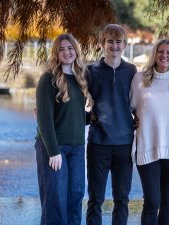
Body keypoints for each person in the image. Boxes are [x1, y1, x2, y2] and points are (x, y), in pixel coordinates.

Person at [35, 33, 93, 225]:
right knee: (55, 202)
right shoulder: (48, 79)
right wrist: (53, 151)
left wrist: (92, 117)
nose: (67, 52)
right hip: (54, 148)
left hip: (77, 148)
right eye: (62, 49)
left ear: (76, 51)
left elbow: (74, 116)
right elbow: (44, 119)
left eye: (70, 48)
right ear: (56, 53)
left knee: (75, 199)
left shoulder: (80, 78)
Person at [130, 38, 169, 225]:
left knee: (168, 201)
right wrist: (133, 120)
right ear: (154, 54)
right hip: (148, 145)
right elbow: (129, 107)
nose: (164, 55)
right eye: (161, 51)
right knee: (152, 201)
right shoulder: (140, 79)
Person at [86, 24, 137, 225]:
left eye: (118, 42)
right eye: (110, 42)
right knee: (95, 199)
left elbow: (138, 101)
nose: (114, 46)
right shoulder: (91, 71)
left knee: (121, 199)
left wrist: (141, 118)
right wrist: (85, 117)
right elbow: (74, 96)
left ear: (124, 45)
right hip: (98, 142)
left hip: (124, 143)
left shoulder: (131, 71)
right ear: (102, 44)